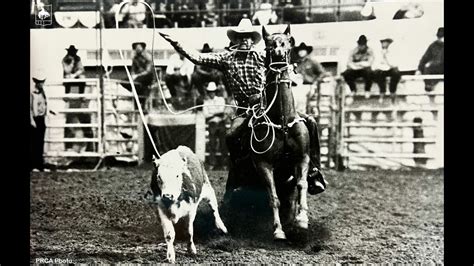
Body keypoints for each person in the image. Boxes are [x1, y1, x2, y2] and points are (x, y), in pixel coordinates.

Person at [160, 18, 327, 195]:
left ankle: (314, 170)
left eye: (248, 37)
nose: (245, 41)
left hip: (269, 104)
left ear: (252, 40)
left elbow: (281, 59)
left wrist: (290, 69)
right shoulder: (226, 58)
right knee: (232, 135)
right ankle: (239, 173)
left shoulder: (261, 55)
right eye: (241, 37)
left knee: (310, 122)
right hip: (245, 109)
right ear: (235, 40)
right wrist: (176, 42)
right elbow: (197, 58)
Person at [121, 42, 154, 108]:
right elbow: (133, 69)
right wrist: (133, 75)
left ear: (142, 48)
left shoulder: (148, 57)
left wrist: (137, 75)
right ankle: (137, 98)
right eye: (136, 48)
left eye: (139, 47)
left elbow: (148, 71)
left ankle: (140, 102)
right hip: (137, 77)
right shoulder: (135, 58)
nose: (137, 49)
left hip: (147, 76)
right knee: (124, 82)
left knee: (137, 83)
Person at [203, 82, 228, 170]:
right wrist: (216, 113)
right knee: (212, 144)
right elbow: (205, 115)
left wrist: (212, 113)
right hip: (212, 124)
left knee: (223, 144)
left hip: (220, 123)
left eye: (213, 91)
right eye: (210, 91)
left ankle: (224, 164)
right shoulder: (206, 102)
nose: (211, 93)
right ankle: (212, 164)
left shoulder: (221, 100)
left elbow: (222, 110)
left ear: (215, 92)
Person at [372, 36, 401, 102]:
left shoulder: (392, 53)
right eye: (383, 42)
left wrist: (386, 58)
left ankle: (392, 92)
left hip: (390, 68)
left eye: (386, 42)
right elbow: (375, 64)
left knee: (396, 73)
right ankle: (382, 92)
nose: (384, 44)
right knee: (377, 74)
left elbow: (394, 64)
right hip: (380, 69)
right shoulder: (378, 53)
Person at [416, 27, 444, 92]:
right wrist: (419, 69)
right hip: (435, 68)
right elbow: (425, 58)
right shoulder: (433, 45)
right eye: (439, 37)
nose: (440, 39)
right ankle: (428, 85)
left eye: (442, 37)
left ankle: (431, 84)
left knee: (429, 66)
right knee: (427, 67)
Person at [30, 74, 48, 172]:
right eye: (39, 82)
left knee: (40, 142)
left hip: (41, 118)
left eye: (42, 81)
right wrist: (32, 120)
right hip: (35, 119)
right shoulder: (32, 93)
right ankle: (33, 165)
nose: (41, 84)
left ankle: (39, 165)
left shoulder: (42, 93)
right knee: (34, 142)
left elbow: (44, 104)